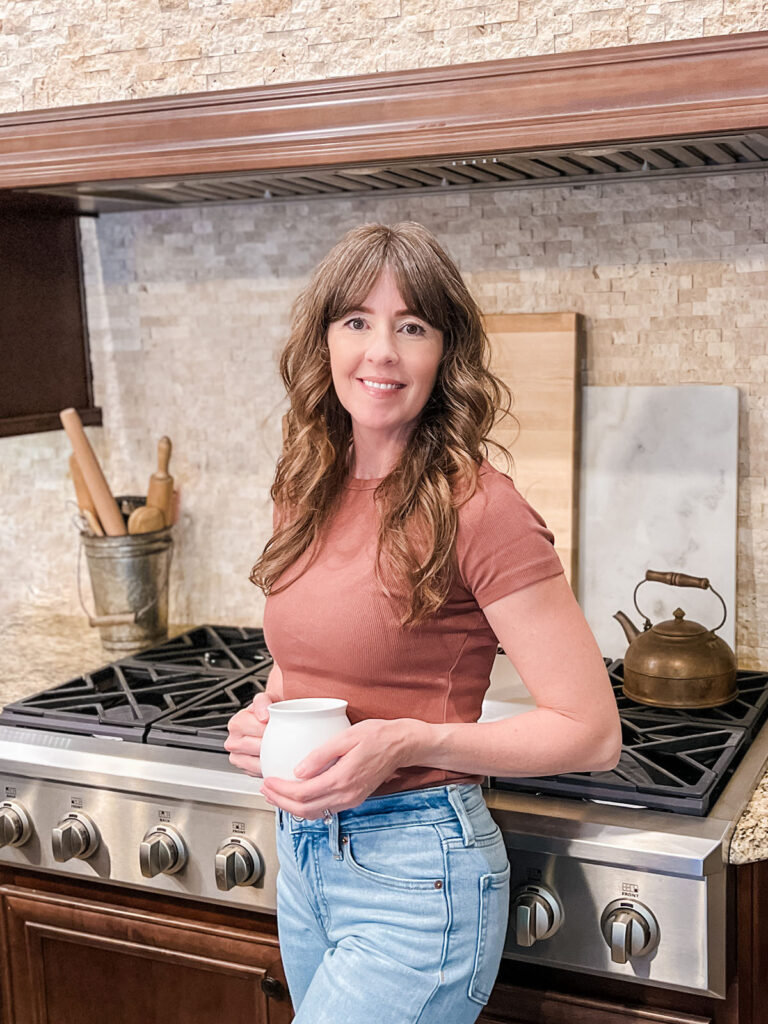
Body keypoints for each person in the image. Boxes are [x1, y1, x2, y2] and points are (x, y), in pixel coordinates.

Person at [225, 221, 622, 1024]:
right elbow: (302, 662)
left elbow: (591, 731)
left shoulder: (481, 508)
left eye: (411, 327)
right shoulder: (305, 486)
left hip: (419, 873)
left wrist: (412, 738)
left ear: (445, 355)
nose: (381, 352)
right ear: (324, 341)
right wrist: (266, 716)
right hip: (305, 860)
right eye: (357, 322)